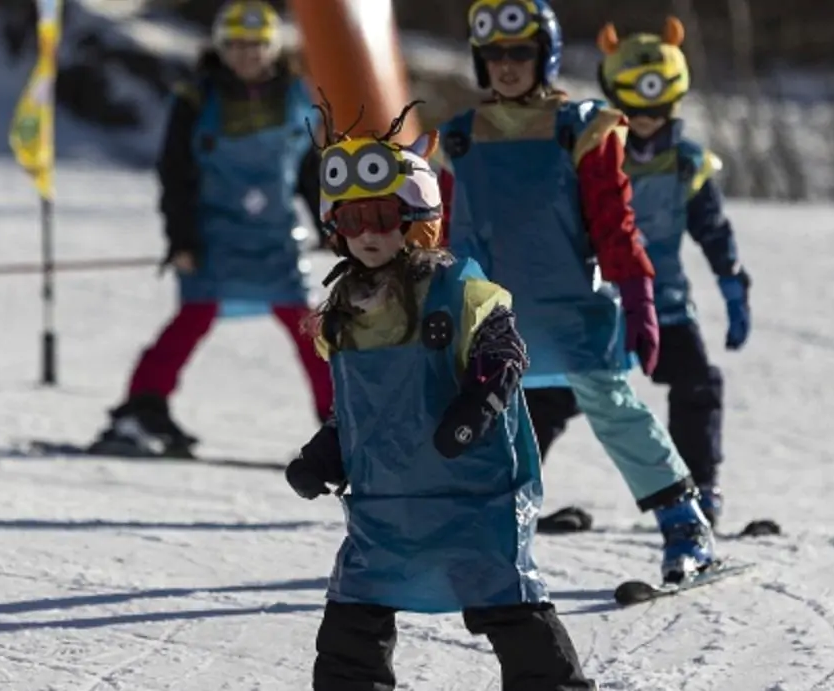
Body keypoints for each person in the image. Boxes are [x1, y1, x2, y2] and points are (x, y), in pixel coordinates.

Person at [284, 99, 596, 691]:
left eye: (381, 216)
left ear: (416, 216)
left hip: (470, 494)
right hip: (387, 505)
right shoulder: (345, 314)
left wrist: (476, 406)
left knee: (510, 607)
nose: (368, 234)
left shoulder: (455, 290)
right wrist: (324, 454)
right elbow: (358, 409)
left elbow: (504, 354)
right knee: (353, 621)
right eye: (351, 221)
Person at [433, 0, 715, 582]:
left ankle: (685, 526)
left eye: (520, 53)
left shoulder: (580, 127)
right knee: (489, 427)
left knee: (616, 411)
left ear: (545, 55)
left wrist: (638, 297)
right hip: (491, 321)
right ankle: (484, 536)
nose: (507, 66)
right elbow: (446, 235)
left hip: (570, 310)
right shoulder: (460, 138)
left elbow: (615, 223)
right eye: (495, 55)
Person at [525, 17, 752, 530]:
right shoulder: (593, 155)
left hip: (665, 304)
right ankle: (508, 497)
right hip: (599, 304)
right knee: (550, 396)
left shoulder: (686, 164)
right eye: (636, 110)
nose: (647, 120)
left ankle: (700, 492)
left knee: (698, 385)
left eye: (659, 108)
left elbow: (713, 230)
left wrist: (733, 282)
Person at [89, 0, 332, 458]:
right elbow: (175, 173)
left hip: (275, 236)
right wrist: (181, 238)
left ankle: (340, 420)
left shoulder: (296, 98)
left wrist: (328, 222)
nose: (247, 56)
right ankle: (143, 408)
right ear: (221, 48)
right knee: (193, 319)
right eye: (236, 46)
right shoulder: (196, 99)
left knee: (307, 324)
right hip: (212, 234)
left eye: (256, 46)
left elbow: (308, 170)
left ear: (273, 48)